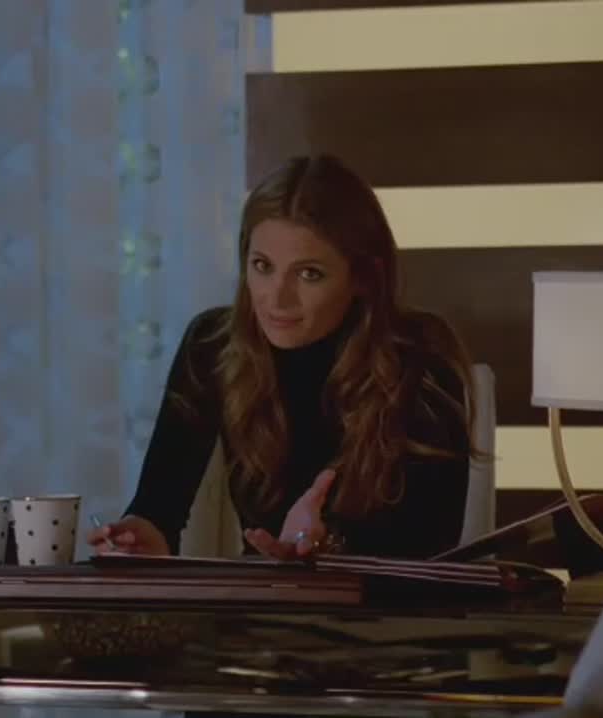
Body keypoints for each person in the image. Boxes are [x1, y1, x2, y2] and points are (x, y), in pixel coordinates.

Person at [87, 154, 477, 563]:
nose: (277, 298)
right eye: (263, 266)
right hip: (258, 599)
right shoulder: (212, 344)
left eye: (309, 274)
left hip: (383, 602)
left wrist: (328, 546)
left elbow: (435, 546)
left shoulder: (421, 357)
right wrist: (142, 536)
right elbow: (159, 506)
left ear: (363, 277)